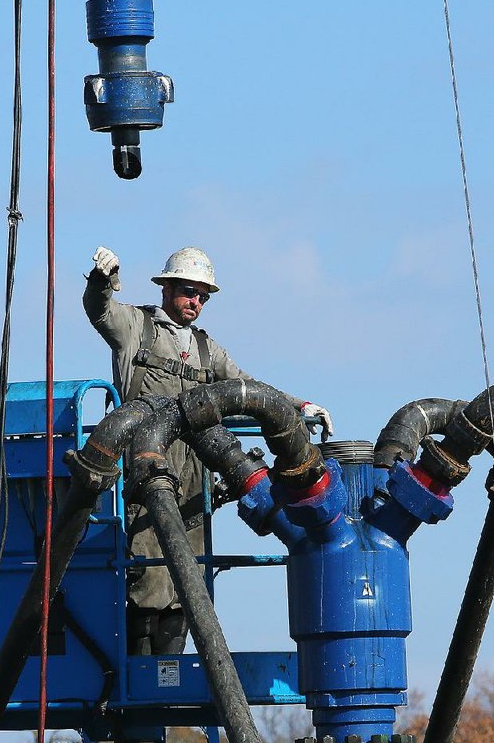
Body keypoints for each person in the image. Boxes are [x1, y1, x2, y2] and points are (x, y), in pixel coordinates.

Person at [83, 245, 335, 656]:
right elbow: (99, 310)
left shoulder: (206, 349)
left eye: (203, 295)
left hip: (194, 472)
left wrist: (298, 406)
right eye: (188, 291)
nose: (195, 302)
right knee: (147, 569)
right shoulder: (136, 326)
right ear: (166, 288)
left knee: (191, 574)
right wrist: (101, 280)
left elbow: (248, 389)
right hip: (147, 466)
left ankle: (169, 672)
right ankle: (141, 671)